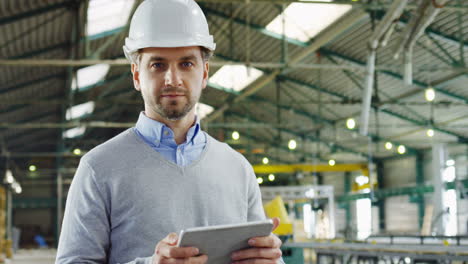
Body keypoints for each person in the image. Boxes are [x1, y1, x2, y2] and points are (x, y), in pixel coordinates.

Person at [56, 0, 284, 263]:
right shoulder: (98, 168)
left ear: (205, 72)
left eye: (186, 64)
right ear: (136, 75)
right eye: (157, 65)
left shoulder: (238, 169)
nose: (172, 79)